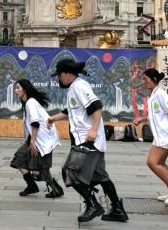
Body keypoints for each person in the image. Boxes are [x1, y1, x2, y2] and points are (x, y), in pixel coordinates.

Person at [47, 58, 128, 223]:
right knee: (101, 177)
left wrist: (92, 130)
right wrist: (52, 119)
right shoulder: (73, 88)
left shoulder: (79, 86)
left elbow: (96, 106)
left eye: (60, 75)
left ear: (67, 73)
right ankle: (118, 210)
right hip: (89, 141)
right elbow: (70, 111)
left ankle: (92, 204)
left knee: (70, 172)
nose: (59, 79)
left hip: (87, 140)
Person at [133, 69, 168, 205]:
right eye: (143, 79)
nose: (144, 82)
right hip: (160, 135)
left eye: (146, 79)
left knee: (152, 162)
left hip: (166, 135)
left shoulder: (161, 94)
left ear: (154, 78)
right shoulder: (154, 95)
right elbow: (156, 115)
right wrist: (143, 119)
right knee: (160, 163)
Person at [10, 78, 63, 199]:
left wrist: (32, 142)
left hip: (42, 138)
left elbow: (35, 123)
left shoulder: (30, 103)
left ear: (25, 89)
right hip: (37, 137)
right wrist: (29, 140)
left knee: (41, 167)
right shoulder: (28, 102)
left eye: (18, 88)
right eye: (15, 88)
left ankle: (56, 189)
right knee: (19, 159)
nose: (16, 91)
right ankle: (32, 185)